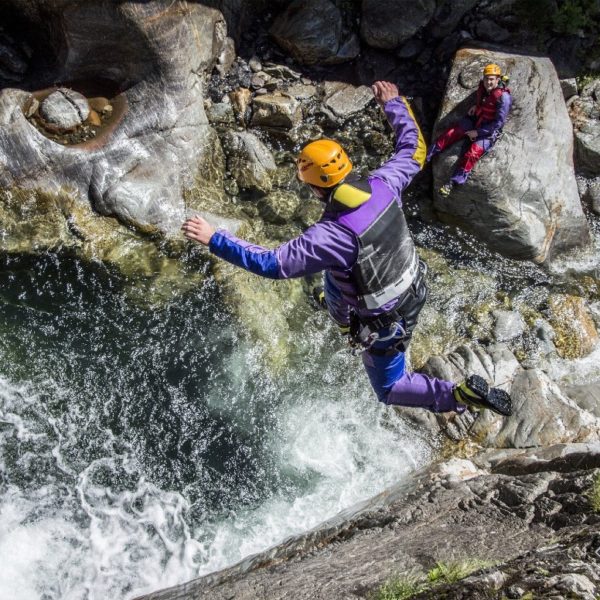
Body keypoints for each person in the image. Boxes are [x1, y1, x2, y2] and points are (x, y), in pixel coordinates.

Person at [182, 80, 512, 418]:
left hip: (386, 321)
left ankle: (457, 395)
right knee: (335, 275)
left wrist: (214, 238)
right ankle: (339, 313)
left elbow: (272, 263)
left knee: (389, 388)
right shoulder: (384, 183)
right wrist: (394, 103)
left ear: (313, 188)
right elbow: (413, 149)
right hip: (414, 286)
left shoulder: (331, 236)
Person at [427, 63, 512, 196]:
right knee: (451, 134)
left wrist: (477, 133)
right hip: (476, 120)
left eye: (492, 79)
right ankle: (428, 155)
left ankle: (453, 182)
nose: (488, 82)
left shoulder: (503, 97)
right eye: (486, 78)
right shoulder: (484, 88)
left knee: (472, 154)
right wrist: (476, 106)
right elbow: (484, 100)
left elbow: (498, 124)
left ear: (497, 80)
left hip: (488, 131)